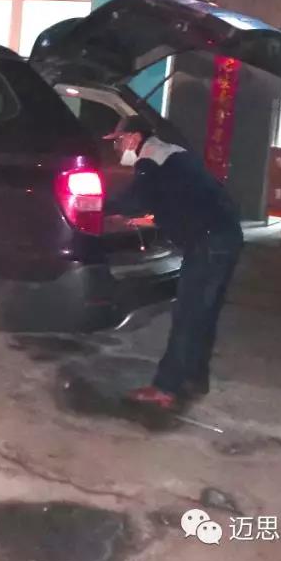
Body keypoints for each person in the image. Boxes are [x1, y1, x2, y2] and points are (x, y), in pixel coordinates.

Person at [104, 115, 243, 410]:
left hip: (208, 241)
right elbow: (177, 198)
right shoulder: (173, 154)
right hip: (225, 236)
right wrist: (148, 218)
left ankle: (166, 388)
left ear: (133, 138)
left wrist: (99, 204)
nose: (118, 148)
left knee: (188, 313)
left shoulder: (150, 158)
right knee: (203, 314)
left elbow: (135, 200)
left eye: (119, 141)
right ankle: (194, 378)